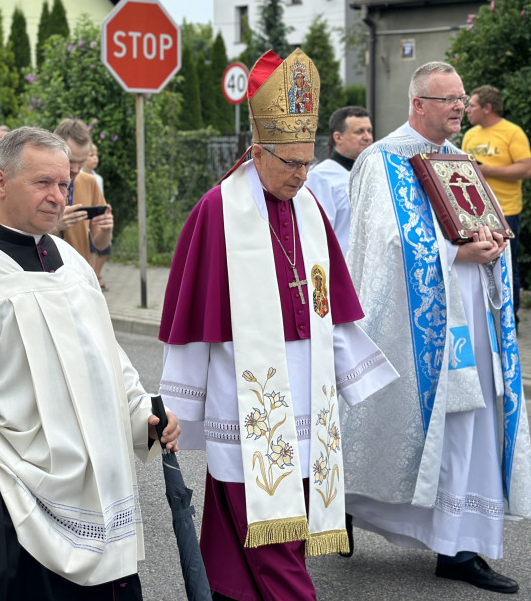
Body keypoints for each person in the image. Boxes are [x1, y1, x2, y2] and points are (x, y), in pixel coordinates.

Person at [159, 49, 399, 601]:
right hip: (244, 394)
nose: (300, 173)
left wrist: (356, 375)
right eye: (289, 162)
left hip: (306, 393)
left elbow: (327, 304)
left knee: (236, 517)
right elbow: (195, 317)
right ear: (257, 151)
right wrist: (176, 404)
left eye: (306, 161)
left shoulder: (309, 208)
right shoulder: (219, 211)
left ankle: (228, 592)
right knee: (271, 521)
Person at [0, 126, 180, 600]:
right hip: (21, 507)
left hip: (101, 493)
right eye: (43, 183)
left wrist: (143, 415)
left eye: (64, 184)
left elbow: (108, 357)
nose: (58, 196)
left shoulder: (72, 264)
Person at [343, 61, 531, 594]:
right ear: (417, 105)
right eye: (447, 98)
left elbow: (485, 226)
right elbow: (382, 249)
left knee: (470, 427)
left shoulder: (460, 160)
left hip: (476, 319)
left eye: (462, 97)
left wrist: (495, 248)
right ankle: (438, 542)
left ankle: (458, 542)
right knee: (441, 429)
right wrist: (457, 254)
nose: (458, 106)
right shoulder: (381, 161)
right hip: (421, 331)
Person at [462, 85, 531, 316]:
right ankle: (485, 314)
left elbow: (526, 169)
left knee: (506, 265)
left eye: (471, 105)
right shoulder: (470, 135)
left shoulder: (512, 132)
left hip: (505, 211)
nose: (466, 110)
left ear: (487, 108)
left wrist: (487, 170)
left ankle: (510, 316)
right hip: (473, 213)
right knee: (477, 263)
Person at [304, 105, 373, 253]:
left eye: (369, 131)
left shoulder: (374, 173)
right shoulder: (320, 178)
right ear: (338, 137)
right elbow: (316, 234)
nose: (367, 137)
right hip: (340, 268)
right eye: (359, 132)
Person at [53, 118, 112, 266]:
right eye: (71, 161)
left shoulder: (90, 182)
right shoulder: (38, 183)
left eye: (82, 162)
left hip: (81, 276)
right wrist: (55, 227)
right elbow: (22, 238)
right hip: (47, 276)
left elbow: (100, 245)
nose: (75, 169)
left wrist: (106, 231)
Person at [81, 143, 112, 289]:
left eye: (96, 155)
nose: (95, 158)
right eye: (91, 155)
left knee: (101, 249)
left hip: (95, 221)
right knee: (89, 251)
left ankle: (95, 277)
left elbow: (100, 199)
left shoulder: (97, 179)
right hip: (82, 223)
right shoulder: (77, 176)